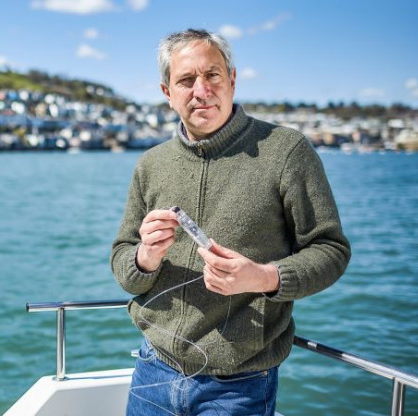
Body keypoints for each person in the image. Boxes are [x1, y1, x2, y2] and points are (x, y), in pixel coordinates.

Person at [110, 28, 351, 415]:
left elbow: (331, 250)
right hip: (152, 369)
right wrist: (144, 258)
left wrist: (264, 277)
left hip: (240, 385)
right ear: (167, 92)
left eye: (212, 75)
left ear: (233, 80)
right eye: (186, 80)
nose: (201, 90)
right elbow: (123, 262)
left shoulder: (286, 151)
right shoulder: (149, 165)